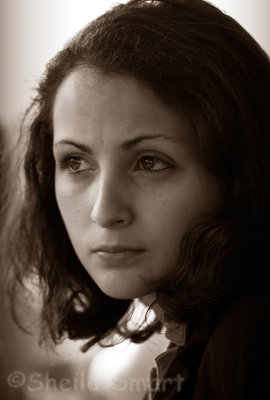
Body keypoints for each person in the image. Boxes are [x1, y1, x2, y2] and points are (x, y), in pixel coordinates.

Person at [9, 0, 270, 398]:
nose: (103, 211)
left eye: (149, 162)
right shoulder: (208, 336)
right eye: (76, 162)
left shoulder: (251, 341)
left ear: (239, 170)